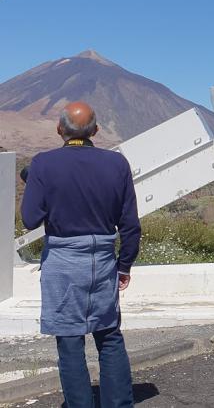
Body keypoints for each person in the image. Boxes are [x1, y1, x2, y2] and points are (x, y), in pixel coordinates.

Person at [21, 102, 141, 408]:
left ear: (60, 130)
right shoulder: (117, 164)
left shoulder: (43, 164)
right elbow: (130, 225)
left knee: (70, 340)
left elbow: (30, 218)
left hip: (63, 260)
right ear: (96, 131)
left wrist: (35, 182)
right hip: (102, 260)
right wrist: (124, 265)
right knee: (109, 335)